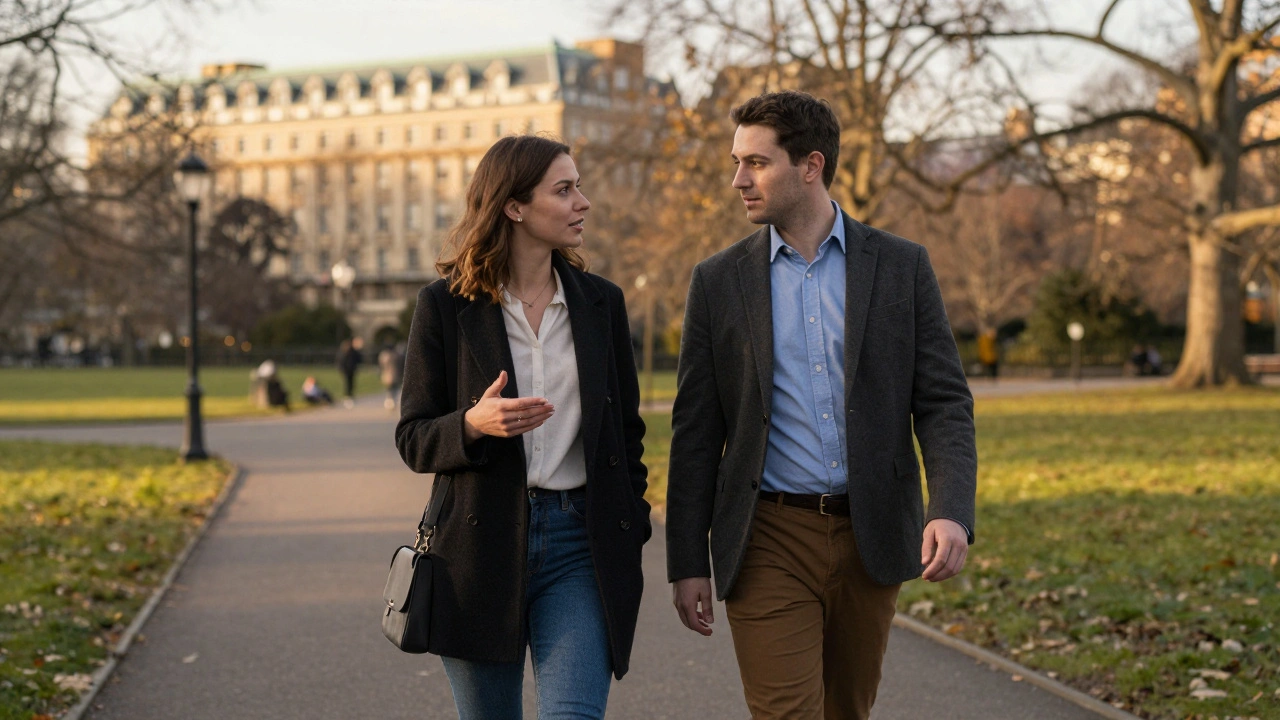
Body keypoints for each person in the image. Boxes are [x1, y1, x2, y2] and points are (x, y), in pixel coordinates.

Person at [665, 91, 977, 720]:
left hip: (873, 533)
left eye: (756, 163)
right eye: (736, 162)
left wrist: (950, 511)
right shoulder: (718, 281)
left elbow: (943, 401)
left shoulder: (901, 266)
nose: (737, 180)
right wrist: (685, 561)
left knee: (847, 712)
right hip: (767, 536)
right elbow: (696, 431)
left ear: (810, 165)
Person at [395, 134, 650, 720]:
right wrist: (472, 424)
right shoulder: (445, 305)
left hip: (579, 545)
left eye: (578, 187)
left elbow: (626, 433)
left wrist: (629, 522)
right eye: (564, 190)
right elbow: (413, 437)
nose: (582, 202)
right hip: (477, 551)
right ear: (514, 206)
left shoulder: (601, 304)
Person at [336, 337, 363, 408]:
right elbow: (340, 362)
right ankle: (348, 397)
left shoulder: (352, 352)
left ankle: (350, 396)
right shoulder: (344, 353)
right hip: (347, 370)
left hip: (350, 370)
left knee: (350, 383)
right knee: (348, 383)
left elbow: (359, 359)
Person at [378, 342, 405, 410]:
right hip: (395, 374)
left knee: (389, 388)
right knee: (394, 388)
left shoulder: (383, 355)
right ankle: (392, 401)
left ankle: (389, 400)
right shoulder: (397, 355)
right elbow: (401, 365)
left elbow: (381, 366)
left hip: (387, 374)